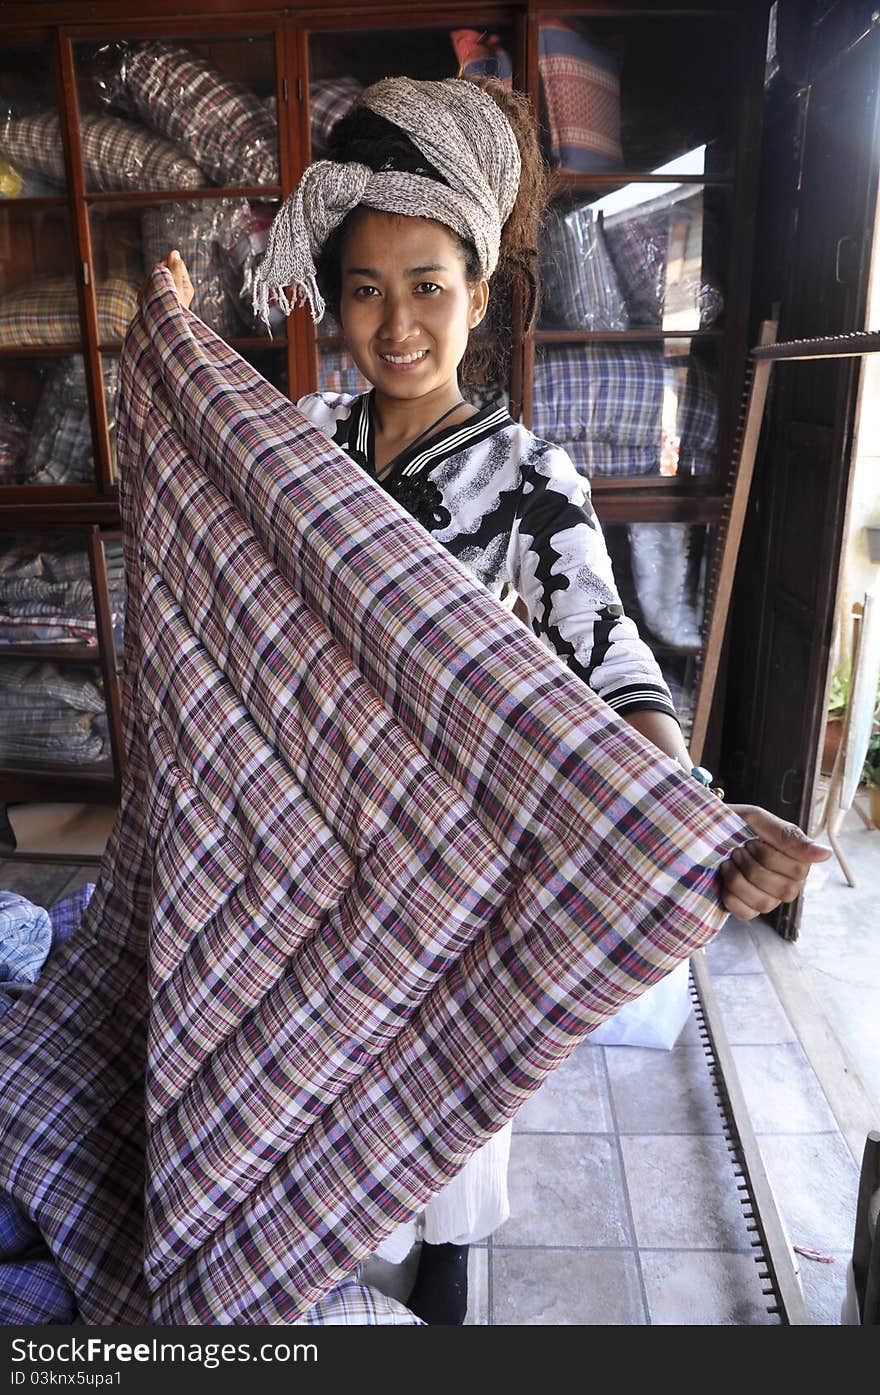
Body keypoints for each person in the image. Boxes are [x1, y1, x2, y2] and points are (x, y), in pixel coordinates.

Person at [157, 73, 829, 1324]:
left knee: (444, 1099)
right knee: (306, 1072)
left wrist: (695, 810)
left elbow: (608, 655)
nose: (394, 324)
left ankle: (452, 1264)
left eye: (426, 286)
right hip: (310, 835)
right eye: (364, 289)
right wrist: (175, 340)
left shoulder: (526, 480)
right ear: (334, 302)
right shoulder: (302, 444)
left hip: (447, 863)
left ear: (481, 292)